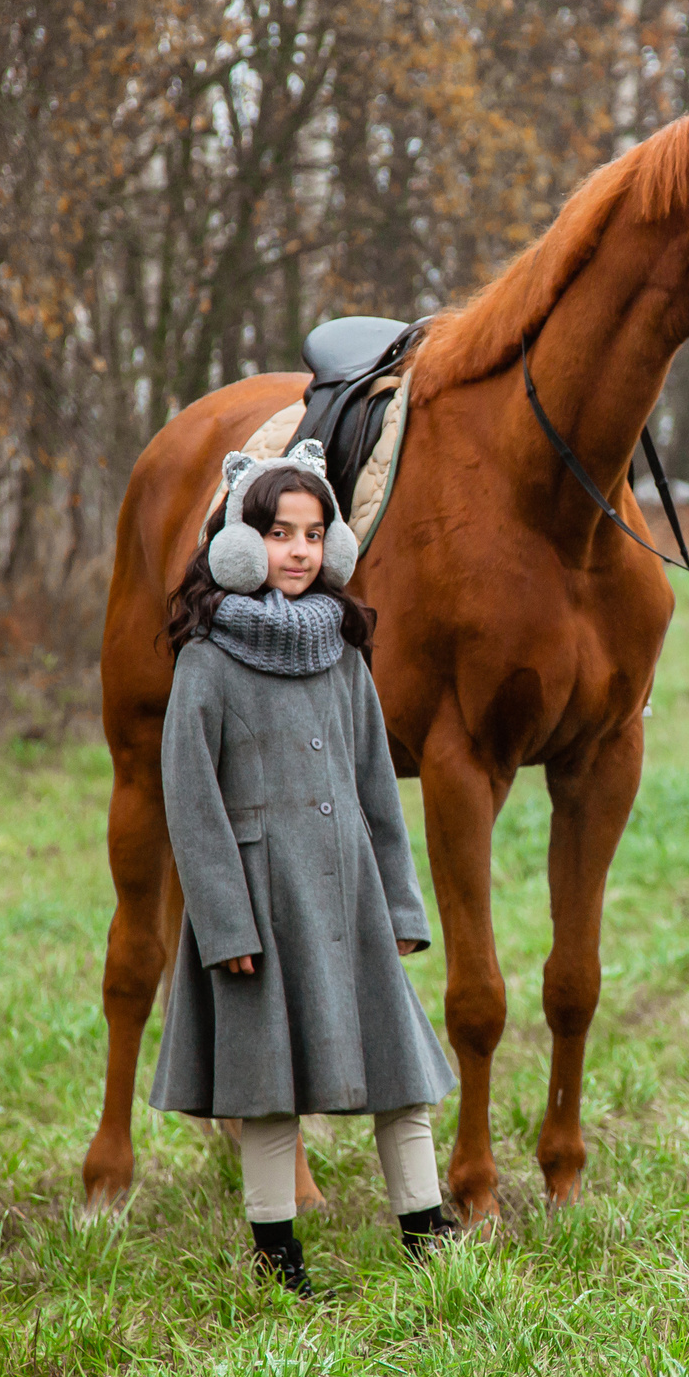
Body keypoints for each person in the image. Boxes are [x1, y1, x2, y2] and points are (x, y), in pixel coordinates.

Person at [150, 439, 459, 1292]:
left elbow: (375, 788)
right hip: (260, 901)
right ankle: (277, 1256)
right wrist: (222, 924)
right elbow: (190, 798)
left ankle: (427, 1231)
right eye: (280, 532)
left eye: (314, 534)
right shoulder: (208, 658)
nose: (298, 550)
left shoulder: (343, 649)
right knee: (268, 1086)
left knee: (403, 1071)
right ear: (240, 544)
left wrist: (400, 905)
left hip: (350, 891)